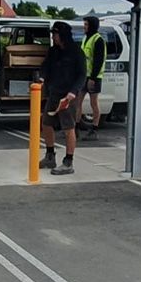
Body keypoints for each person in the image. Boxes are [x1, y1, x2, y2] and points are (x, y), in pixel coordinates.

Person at [38, 20, 86, 174]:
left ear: (63, 35)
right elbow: (45, 66)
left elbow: (82, 75)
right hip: (54, 92)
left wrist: (73, 92)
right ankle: (50, 156)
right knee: (46, 123)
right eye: (53, 34)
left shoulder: (76, 52)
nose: (53, 37)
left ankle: (68, 162)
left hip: (68, 96)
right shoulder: (53, 51)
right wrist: (42, 78)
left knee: (68, 127)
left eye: (55, 34)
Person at [79, 14, 107, 137]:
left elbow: (98, 61)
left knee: (93, 103)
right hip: (83, 76)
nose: (84, 27)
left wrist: (93, 78)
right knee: (77, 102)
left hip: (93, 77)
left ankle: (94, 128)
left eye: (86, 24)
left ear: (92, 26)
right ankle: (76, 126)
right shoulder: (86, 38)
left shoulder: (98, 40)